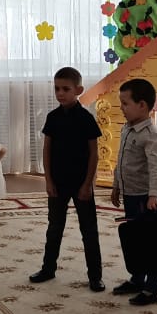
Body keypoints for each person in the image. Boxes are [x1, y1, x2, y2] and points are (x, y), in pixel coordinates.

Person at [29, 67, 104, 291]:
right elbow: (47, 150)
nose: (60, 93)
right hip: (58, 183)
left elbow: (94, 154)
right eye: (56, 89)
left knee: (88, 230)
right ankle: (48, 268)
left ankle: (95, 276)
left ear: (78, 90)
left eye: (65, 89)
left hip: (81, 183)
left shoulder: (86, 119)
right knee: (54, 227)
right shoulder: (52, 118)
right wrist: (48, 180)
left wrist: (87, 184)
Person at [111, 78, 157, 306]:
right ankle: (137, 280)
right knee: (135, 241)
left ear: (142, 105)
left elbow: (156, 167)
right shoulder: (127, 128)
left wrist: (153, 194)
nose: (121, 108)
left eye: (125, 103)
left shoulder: (151, 135)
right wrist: (116, 186)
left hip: (146, 198)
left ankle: (152, 290)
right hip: (130, 196)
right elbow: (121, 160)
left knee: (149, 244)